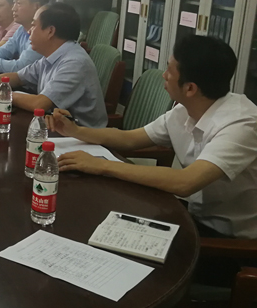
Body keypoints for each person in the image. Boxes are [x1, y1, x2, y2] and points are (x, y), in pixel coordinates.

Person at [48, 35, 257, 286]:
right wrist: (76, 131)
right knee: (103, 229)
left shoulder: (241, 124)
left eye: (169, 70)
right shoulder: (184, 110)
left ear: (190, 88)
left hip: (233, 247)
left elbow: (185, 182)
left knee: (119, 261)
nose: (163, 76)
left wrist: (102, 165)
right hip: (193, 218)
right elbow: (129, 139)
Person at [0, 2, 107, 128]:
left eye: (33, 25)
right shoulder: (51, 55)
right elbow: (18, 77)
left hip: (80, 135)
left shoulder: (74, 63)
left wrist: (0, 93)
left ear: (50, 31)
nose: (29, 32)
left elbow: (40, 104)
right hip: (55, 126)